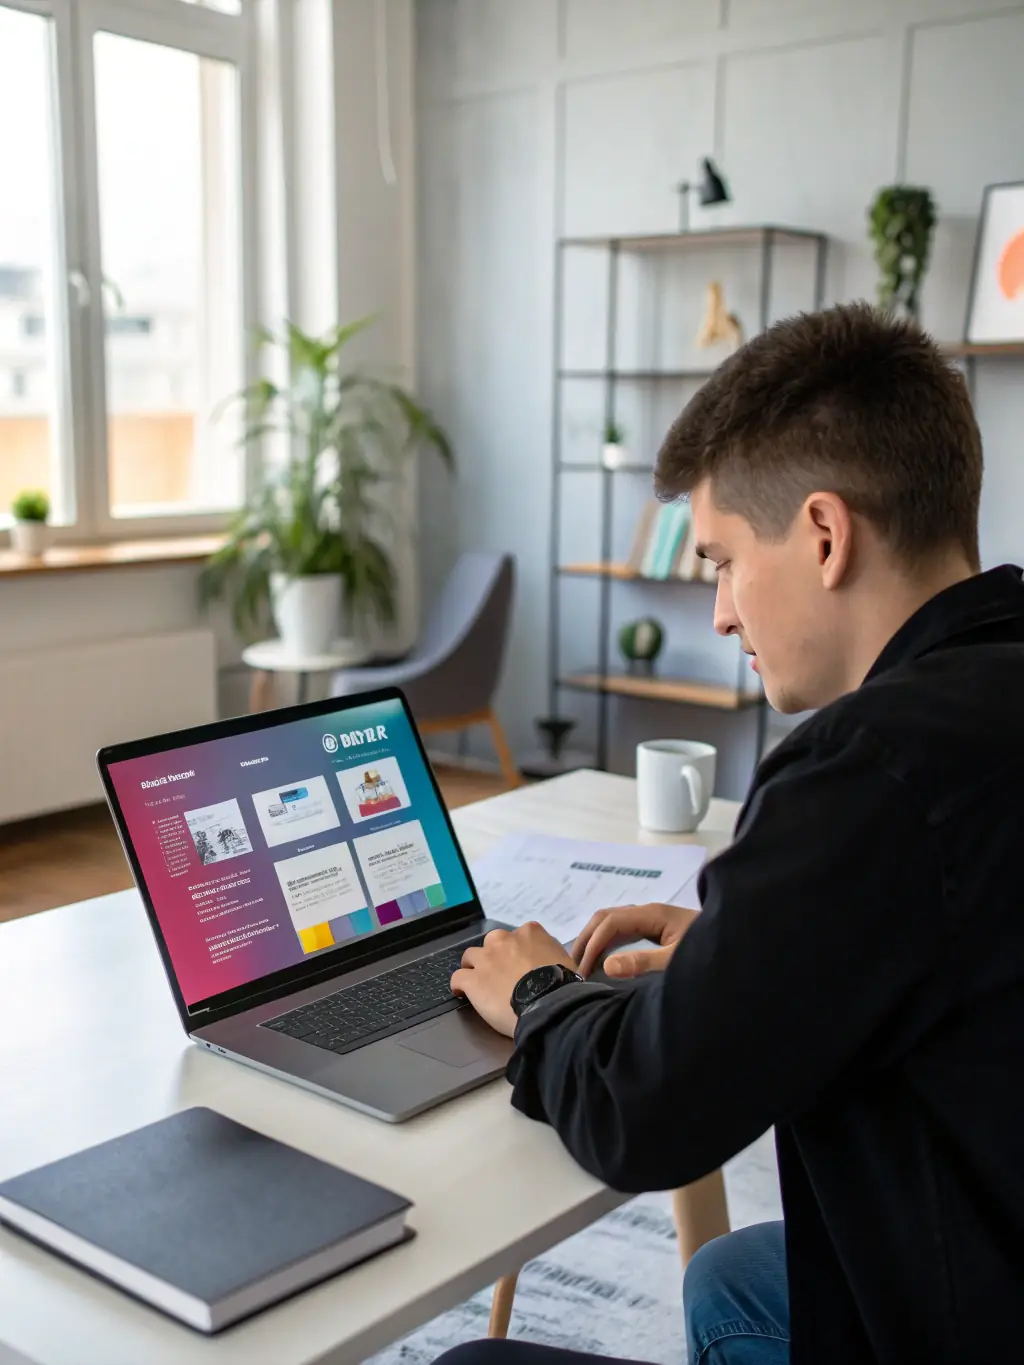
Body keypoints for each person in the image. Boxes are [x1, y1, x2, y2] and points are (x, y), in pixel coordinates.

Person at [435, 303, 1024, 1365]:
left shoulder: (862, 768)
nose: (717, 613)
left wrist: (536, 994)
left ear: (825, 535)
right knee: (731, 1275)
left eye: (718, 562)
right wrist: (740, 945)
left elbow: (647, 1117)